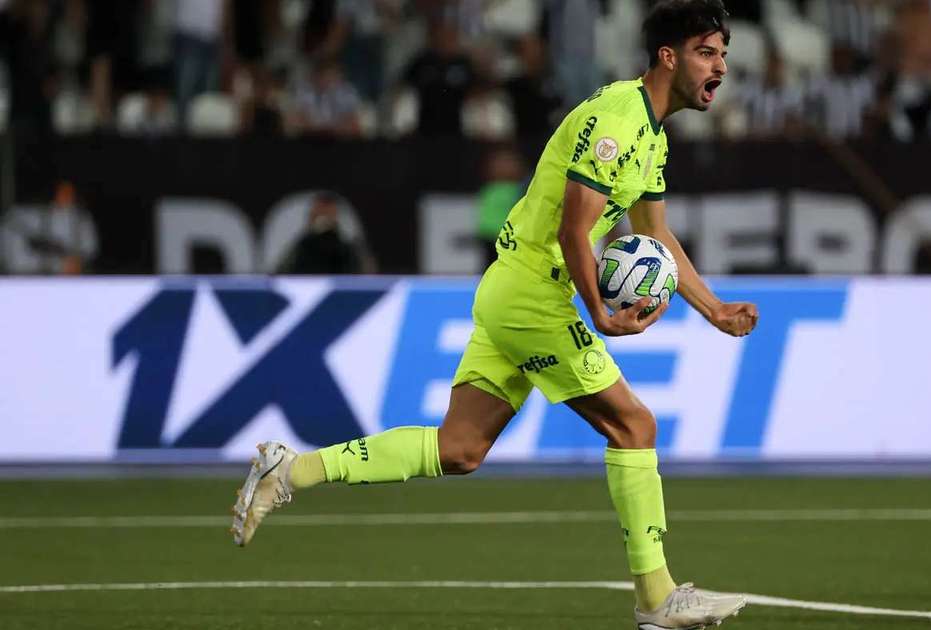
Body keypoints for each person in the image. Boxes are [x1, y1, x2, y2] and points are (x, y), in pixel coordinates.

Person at [230, 1, 759, 627]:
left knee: (459, 448)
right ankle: (656, 597)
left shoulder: (653, 136)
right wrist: (599, 311)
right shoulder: (618, 120)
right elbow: (573, 230)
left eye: (723, 54)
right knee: (633, 426)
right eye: (707, 52)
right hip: (534, 293)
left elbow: (655, 234)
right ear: (668, 56)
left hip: (513, 289)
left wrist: (713, 309)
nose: (720, 66)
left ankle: (291, 469)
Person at [275, 193, 364, 274]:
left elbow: (358, 274)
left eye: (327, 213)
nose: (322, 219)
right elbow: (282, 272)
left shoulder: (347, 249)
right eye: (318, 213)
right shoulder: (302, 245)